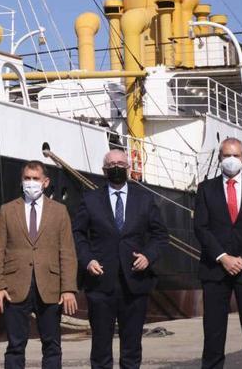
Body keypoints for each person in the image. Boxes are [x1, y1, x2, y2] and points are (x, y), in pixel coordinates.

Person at [72, 148, 168, 369]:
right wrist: (87, 259)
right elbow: (77, 233)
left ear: (128, 168)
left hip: (135, 283)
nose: (116, 167)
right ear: (104, 170)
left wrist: (148, 256)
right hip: (100, 283)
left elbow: (160, 235)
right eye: (111, 164)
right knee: (100, 349)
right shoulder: (90, 199)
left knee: (132, 349)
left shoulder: (144, 199)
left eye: (120, 164)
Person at [0, 161, 78, 369]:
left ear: (45, 182)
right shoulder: (7, 210)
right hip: (14, 287)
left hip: (50, 287)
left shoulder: (59, 211)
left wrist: (68, 289)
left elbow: (67, 252)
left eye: (35, 179)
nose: (31, 183)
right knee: (15, 346)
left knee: (52, 346)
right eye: (27, 178)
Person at [193, 138, 242, 369]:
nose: (231, 160)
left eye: (235, 155)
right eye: (226, 155)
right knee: (213, 335)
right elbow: (201, 227)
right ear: (219, 158)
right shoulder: (205, 189)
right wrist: (223, 257)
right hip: (215, 270)